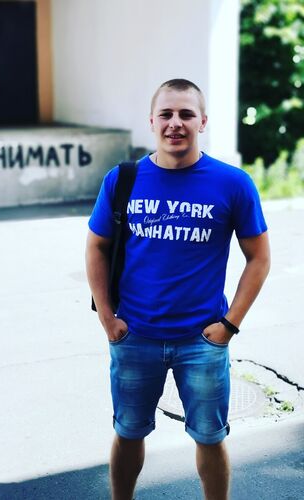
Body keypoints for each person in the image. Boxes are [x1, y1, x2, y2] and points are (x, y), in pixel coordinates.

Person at [85, 78, 270, 500]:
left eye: (186, 114)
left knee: (210, 438)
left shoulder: (233, 183)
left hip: (202, 340)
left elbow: (259, 258)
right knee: (128, 432)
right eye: (166, 114)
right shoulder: (123, 179)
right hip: (135, 336)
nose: (175, 123)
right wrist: (107, 318)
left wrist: (229, 325)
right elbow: (97, 246)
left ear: (202, 121)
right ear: (151, 121)